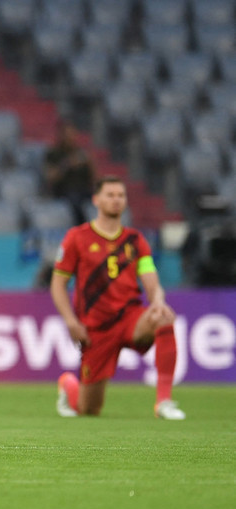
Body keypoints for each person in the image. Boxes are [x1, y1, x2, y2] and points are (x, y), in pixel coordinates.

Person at [51, 175, 185, 420]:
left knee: (164, 318)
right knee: (89, 409)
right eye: (110, 195)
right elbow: (57, 284)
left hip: (130, 318)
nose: (116, 200)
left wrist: (157, 301)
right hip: (96, 328)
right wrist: (71, 321)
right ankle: (69, 385)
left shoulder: (135, 241)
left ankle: (164, 402)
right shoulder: (77, 237)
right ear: (96, 200)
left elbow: (151, 280)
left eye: (120, 195)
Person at [43, 120, 95, 226]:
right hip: (64, 191)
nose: (70, 138)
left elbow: (93, 178)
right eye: (67, 134)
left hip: (83, 191)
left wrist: (90, 163)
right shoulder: (54, 154)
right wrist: (67, 164)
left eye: (72, 134)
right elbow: (50, 177)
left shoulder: (82, 153)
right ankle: (82, 228)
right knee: (75, 202)